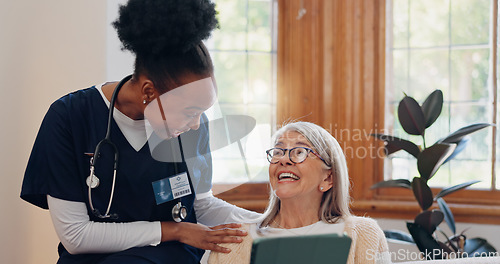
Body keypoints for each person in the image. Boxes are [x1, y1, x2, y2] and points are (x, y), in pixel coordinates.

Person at [20, 0, 260, 263]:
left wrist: (273, 223)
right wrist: (175, 230)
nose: (196, 124)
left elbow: (202, 206)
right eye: (190, 111)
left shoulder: (192, 127)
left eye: (202, 113)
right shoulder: (68, 118)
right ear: (149, 92)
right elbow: (75, 236)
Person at [208, 121, 391, 264]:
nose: (284, 159)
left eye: (300, 152)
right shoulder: (233, 240)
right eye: (278, 151)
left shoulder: (366, 235)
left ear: (328, 179)